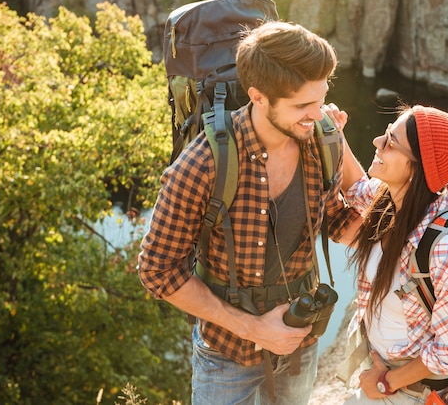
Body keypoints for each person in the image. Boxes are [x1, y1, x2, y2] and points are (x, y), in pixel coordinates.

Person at [137, 21, 361, 405]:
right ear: (258, 97)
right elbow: (157, 271)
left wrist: (392, 183)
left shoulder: (322, 139)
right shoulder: (203, 164)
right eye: (302, 106)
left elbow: (341, 228)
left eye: (321, 99)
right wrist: (253, 328)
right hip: (226, 354)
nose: (318, 114)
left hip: (300, 340)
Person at [329, 103, 448, 404]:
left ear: (417, 167)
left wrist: (385, 384)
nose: (377, 143)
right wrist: (334, 134)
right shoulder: (388, 201)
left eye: (390, 142)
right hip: (377, 368)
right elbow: (355, 187)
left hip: (409, 390)